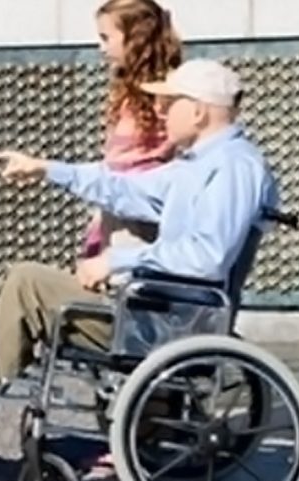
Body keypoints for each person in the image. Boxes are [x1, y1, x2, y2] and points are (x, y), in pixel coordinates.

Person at [0, 58, 280, 457]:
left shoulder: (235, 167)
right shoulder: (199, 164)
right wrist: (47, 170)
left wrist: (116, 261)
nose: (160, 111)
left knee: (25, 283)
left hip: (168, 322)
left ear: (198, 110)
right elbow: (124, 190)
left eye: (169, 102)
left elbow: (207, 257)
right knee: (20, 281)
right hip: (155, 310)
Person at [81, 0, 182, 276]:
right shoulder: (126, 92)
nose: (101, 48)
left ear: (135, 38)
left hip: (142, 213)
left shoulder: (168, 93)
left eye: (106, 38)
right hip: (116, 207)